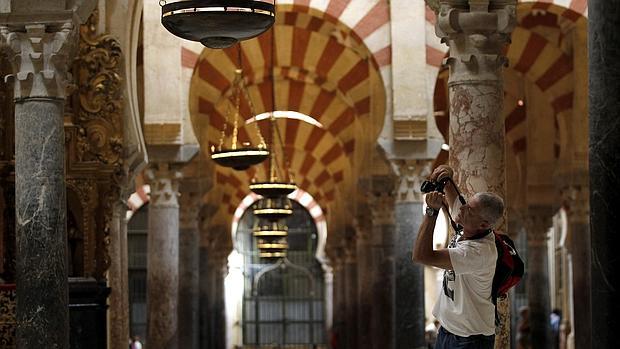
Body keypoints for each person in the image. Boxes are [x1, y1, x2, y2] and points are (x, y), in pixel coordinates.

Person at [412, 164, 503, 349]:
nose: (463, 209)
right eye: (467, 203)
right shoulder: (470, 226)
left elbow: (421, 256)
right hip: (449, 331)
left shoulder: (477, 252)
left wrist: (431, 212)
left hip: (469, 340)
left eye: (469, 210)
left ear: (484, 224)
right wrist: (446, 176)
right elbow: (456, 203)